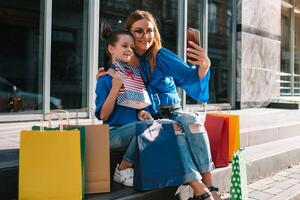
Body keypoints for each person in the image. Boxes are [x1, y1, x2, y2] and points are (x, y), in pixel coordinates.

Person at [124, 10, 219, 200]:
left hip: (173, 111)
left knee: (193, 121)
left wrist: (204, 65)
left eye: (150, 30)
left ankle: (210, 188)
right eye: (139, 31)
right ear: (129, 33)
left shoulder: (161, 55)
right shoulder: (126, 59)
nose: (145, 36)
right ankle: (201, 190)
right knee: (173, 132)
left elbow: (188, 76)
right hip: (151, 117)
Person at [95, 24, 153, 187]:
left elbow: (137, 109)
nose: (129, 50)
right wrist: (114, 88)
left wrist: (142, 113)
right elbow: (104, 116)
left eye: (132, 47)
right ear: (111, 49)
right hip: (111, 134)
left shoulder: (134, 77)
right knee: (145, 127)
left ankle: (130, 167)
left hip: (132, 133)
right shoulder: (105, 80)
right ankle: (123, 169)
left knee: (153, 124)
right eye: (124, 46)